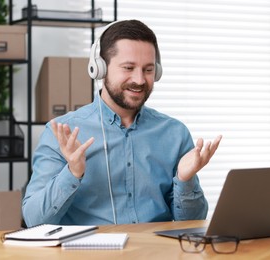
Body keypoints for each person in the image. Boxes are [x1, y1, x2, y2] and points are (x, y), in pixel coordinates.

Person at [22, 19, 222, 227]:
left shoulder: (174, 133)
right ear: (99, 68)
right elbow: (34, 220)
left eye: (148, 69)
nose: (140, 80)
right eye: (128, 67)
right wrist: (72, 172)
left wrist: (184, 179)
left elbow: (193, 225)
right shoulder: (63, 132)